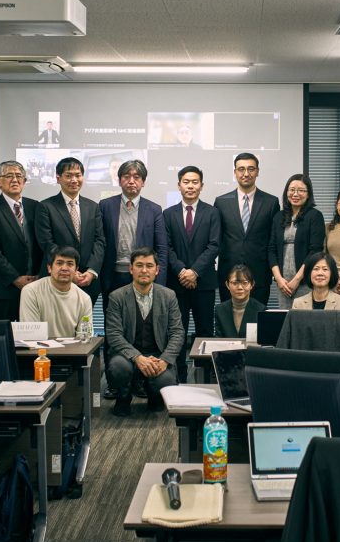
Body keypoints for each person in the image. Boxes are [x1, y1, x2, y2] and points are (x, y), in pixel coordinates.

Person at [103, 247, 183, 416]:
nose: (144, 270)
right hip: (127, 356)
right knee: (118, 368)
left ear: (157, 270)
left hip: (157, 355)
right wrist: (137, 357)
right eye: (139, 265)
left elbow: (177, 332)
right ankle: (123, 396)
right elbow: (114, 335)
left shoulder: (169, 296)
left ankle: (155, 396)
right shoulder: (116, 297)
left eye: (149, 265)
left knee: (166, 380)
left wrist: (164, 360)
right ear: (131, 269)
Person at [163, 166, 221, 379]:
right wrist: (182, 271)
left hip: (203, 283)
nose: (190, 186)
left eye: (195, 182)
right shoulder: (167, 214)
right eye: (186, 182)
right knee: (177, 333)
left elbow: (214, 245)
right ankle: (177, 377)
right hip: (176, 285)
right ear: (179, 185)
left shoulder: (212, 212)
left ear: (201, 186)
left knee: (205, 332)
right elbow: (166, 247)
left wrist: (194, 271)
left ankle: (206, 378)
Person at [34, 157, 105, 305]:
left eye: (78, 175)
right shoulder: (45, 207)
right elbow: (47, 243)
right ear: (58, 178)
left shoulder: (93, 207)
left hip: (87, 280)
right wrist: (70, 270)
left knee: (83, 325)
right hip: (57, 278)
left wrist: (92, 272)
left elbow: (99, 241)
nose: (74, 180)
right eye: (68, 175)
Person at [0, 161, 42, 322]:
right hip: (4, 287)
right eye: (9, 176)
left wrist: (39, 276)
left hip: (34, 285)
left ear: (25, 181)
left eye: (19, 176)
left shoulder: (35, 206)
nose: (15, 180)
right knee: (2, 339)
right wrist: (15, 278)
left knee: (33, 338)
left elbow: (42, 244)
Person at [215, 153, 281, 304]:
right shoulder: (221, 202)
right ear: (235, 172)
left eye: (251, 169)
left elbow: (273, 241)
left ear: (257, 171)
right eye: (241, 169)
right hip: (228, 274)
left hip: (259, 275)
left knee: (257, 323)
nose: (246, 173)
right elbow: (216, 239)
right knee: (228, 323)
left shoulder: (271, 202)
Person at [98, 159, 168, 300]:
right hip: (112, 276)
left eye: (136, 177)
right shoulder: (105, 205)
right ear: (119, 180)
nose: (131, 181)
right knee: (112, 319)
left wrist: (159, 281)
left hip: (142, 275)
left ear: (143, 182)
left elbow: (161, 249)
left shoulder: (154, 210)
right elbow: (99, 242)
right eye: (126, 177)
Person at [269, 174, 325, 308]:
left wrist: (297, 280)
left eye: (301, 190)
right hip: (283, 283)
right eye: (292, 189)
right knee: (285, 321)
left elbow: (315, 251)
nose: (295, 194)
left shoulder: (315, 216)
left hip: (304, 281)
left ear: (308, 194)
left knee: (304, 321)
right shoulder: (279, 216)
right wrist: (279, 279)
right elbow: (271, 249)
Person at [19, 246, 94, 338]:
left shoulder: (84, 298)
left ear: (76, 270)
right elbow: (31, 336)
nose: (64, 268)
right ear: (49, 268)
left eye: (70, 264)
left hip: (73, 351)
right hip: (40, 350)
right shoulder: (31, 291)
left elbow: (84, 337)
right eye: (59, 263)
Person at [214, 264, 265, 337]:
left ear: (252, 284)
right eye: (235, 283)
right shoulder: (220, 310)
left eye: (245, 283)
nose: (240, 287)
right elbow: (219, 340)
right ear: (227, 284)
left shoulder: (261, 310)